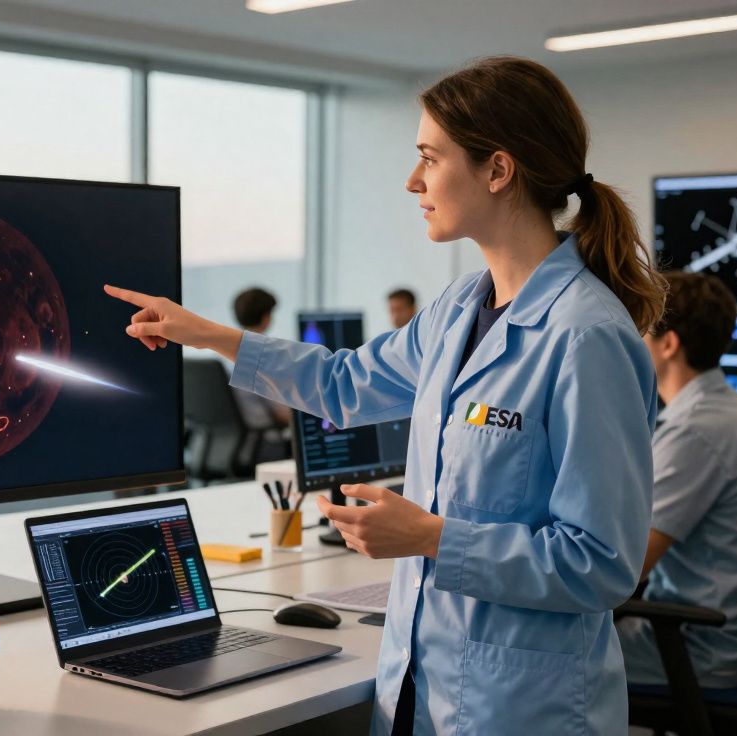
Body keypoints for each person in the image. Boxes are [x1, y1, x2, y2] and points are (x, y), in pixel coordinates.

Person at [106, 55, 666, 734]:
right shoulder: (462, 305)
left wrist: (433, 537)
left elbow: (602, 566)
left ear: (498, 169)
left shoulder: (586, 337)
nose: (413, 181)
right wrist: (211, 335)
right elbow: (345, 385)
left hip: (523, 706)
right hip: (421, 681)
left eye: (430, 158)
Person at [618, 272, 737, 692]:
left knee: (543, 655)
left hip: (696, 648)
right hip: (732, 633)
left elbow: (625, 565)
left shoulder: (696, 432)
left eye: (641, 329)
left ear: (669, 344)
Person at [230, 287, 289, 429]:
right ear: (266, 317)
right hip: (268, 440)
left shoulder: (226, 350)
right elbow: (283, 414)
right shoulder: (264, 354)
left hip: (244, 442)